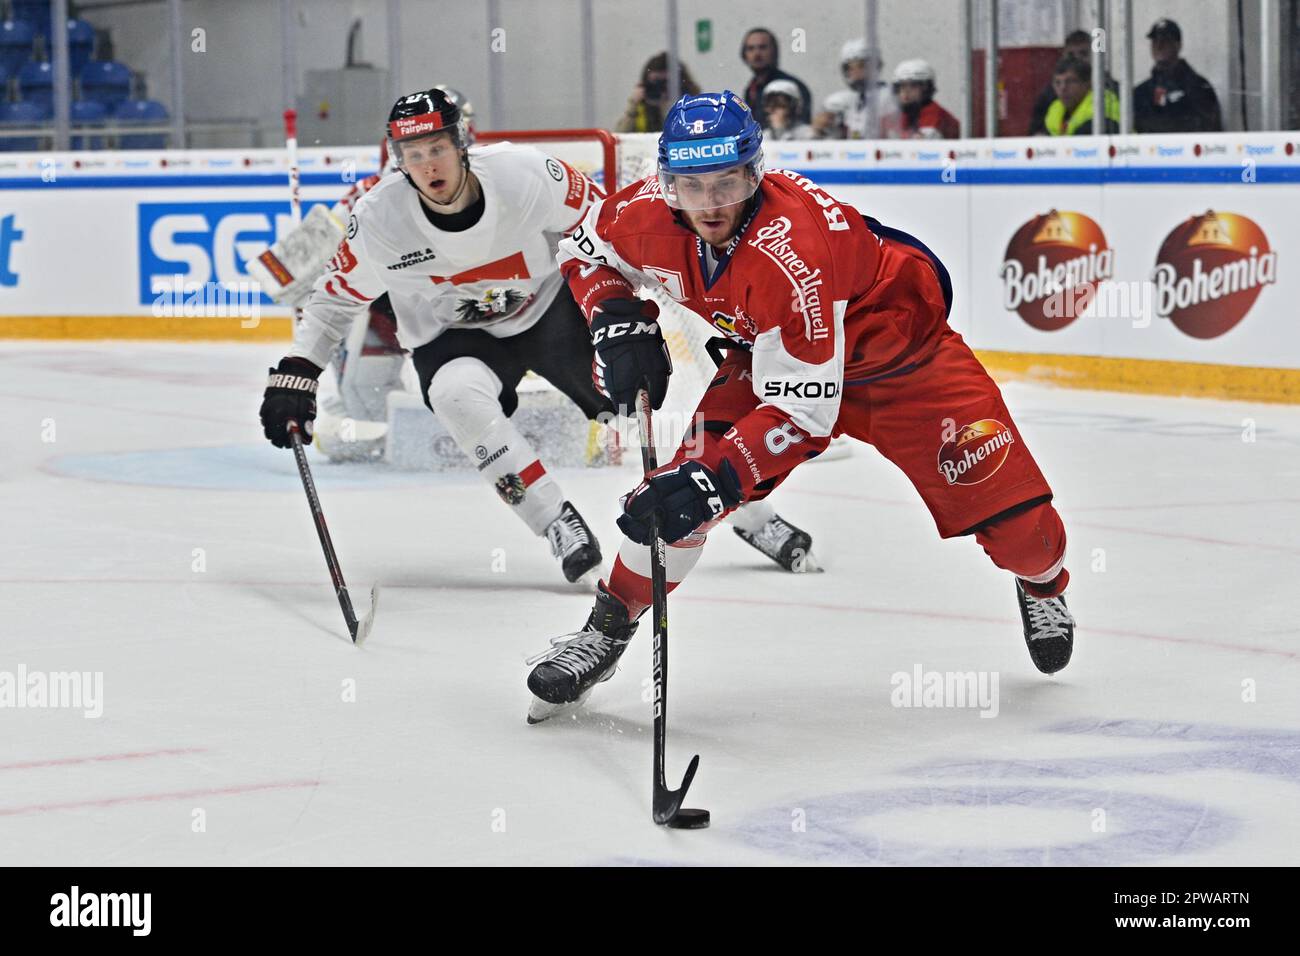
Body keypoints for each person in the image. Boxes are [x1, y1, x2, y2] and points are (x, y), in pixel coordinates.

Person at [525, 92, 1075, 720]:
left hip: (901, 364)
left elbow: (803, 416)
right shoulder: (642, 211)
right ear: (666, 181)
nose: (709, 204)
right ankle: (608, 625)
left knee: (1025, 537)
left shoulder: (794, 252)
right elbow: (583, 251)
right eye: (691, 185)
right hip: (773, 358)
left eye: (726, 182)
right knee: (673, 497)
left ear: (754, 174)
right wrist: (615, 316)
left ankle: (1043, 583)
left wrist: (719, 479)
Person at [257, 88, 613, 585]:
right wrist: (299, 370)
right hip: (450, 335)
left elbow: (609, 226)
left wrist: (621, 310)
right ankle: (556, 520)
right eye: (414, 155)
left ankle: (738, 505)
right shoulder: (378, 215)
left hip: (549, 309)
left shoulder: (526, 174)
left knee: (636, 400)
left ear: (462, 143)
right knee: (454, 396)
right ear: (398, 161)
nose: (429, 166)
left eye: (438, 148)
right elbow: (334, 296)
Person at [251, 86, 477, 463]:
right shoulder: (372, 194)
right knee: (362, 402)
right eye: (413, 147)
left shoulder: (484, 183)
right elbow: (310, 260)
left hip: (458, 305)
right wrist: (295, 272)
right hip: (385, 309)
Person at [1133, 18, 1223, 133]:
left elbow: (1209, 130)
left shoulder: (1198, 87)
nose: (1159, 46)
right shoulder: (1141, 92)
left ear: (1178, 45)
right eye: (1155, 41)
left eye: (1165, 40)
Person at [1027, 31, 1118, 136]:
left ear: (1088, 84)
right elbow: (1036, 133)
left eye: (1083, 53)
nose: (1063, 88)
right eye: (1070, 55)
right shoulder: (1050, 96)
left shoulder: (1110, 90)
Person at [814, 38, 895, 139]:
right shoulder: (852, 99)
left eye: (861, 66)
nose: (855, 73)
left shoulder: (889, 97)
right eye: (849, 68)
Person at [740, 27, 812, 126]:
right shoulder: (751, 88)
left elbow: (801, 126)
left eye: (762, 47)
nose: (756, 54)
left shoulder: (791, 87)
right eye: (751, 48)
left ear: (774, 51)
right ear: (744, 54)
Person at [614, 52, 701, 134]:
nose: (661, 88)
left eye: (666, 82)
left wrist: (669, 107)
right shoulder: (641, 108)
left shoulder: (692, 105)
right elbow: (620, 137)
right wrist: (633, 106)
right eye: (656, 82)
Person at [881, 59, 960, 139]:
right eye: (902, 86)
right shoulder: (893, 117)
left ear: (926, 88)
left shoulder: (937, 116)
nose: (905, 92)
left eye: (913, 86)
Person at [1043, 56, 1119, 135]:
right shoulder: (1055, 109)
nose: (1063, 88)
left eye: (1070, 81)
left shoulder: (1101, 106)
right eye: (1057, 83)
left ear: (1087, 84)